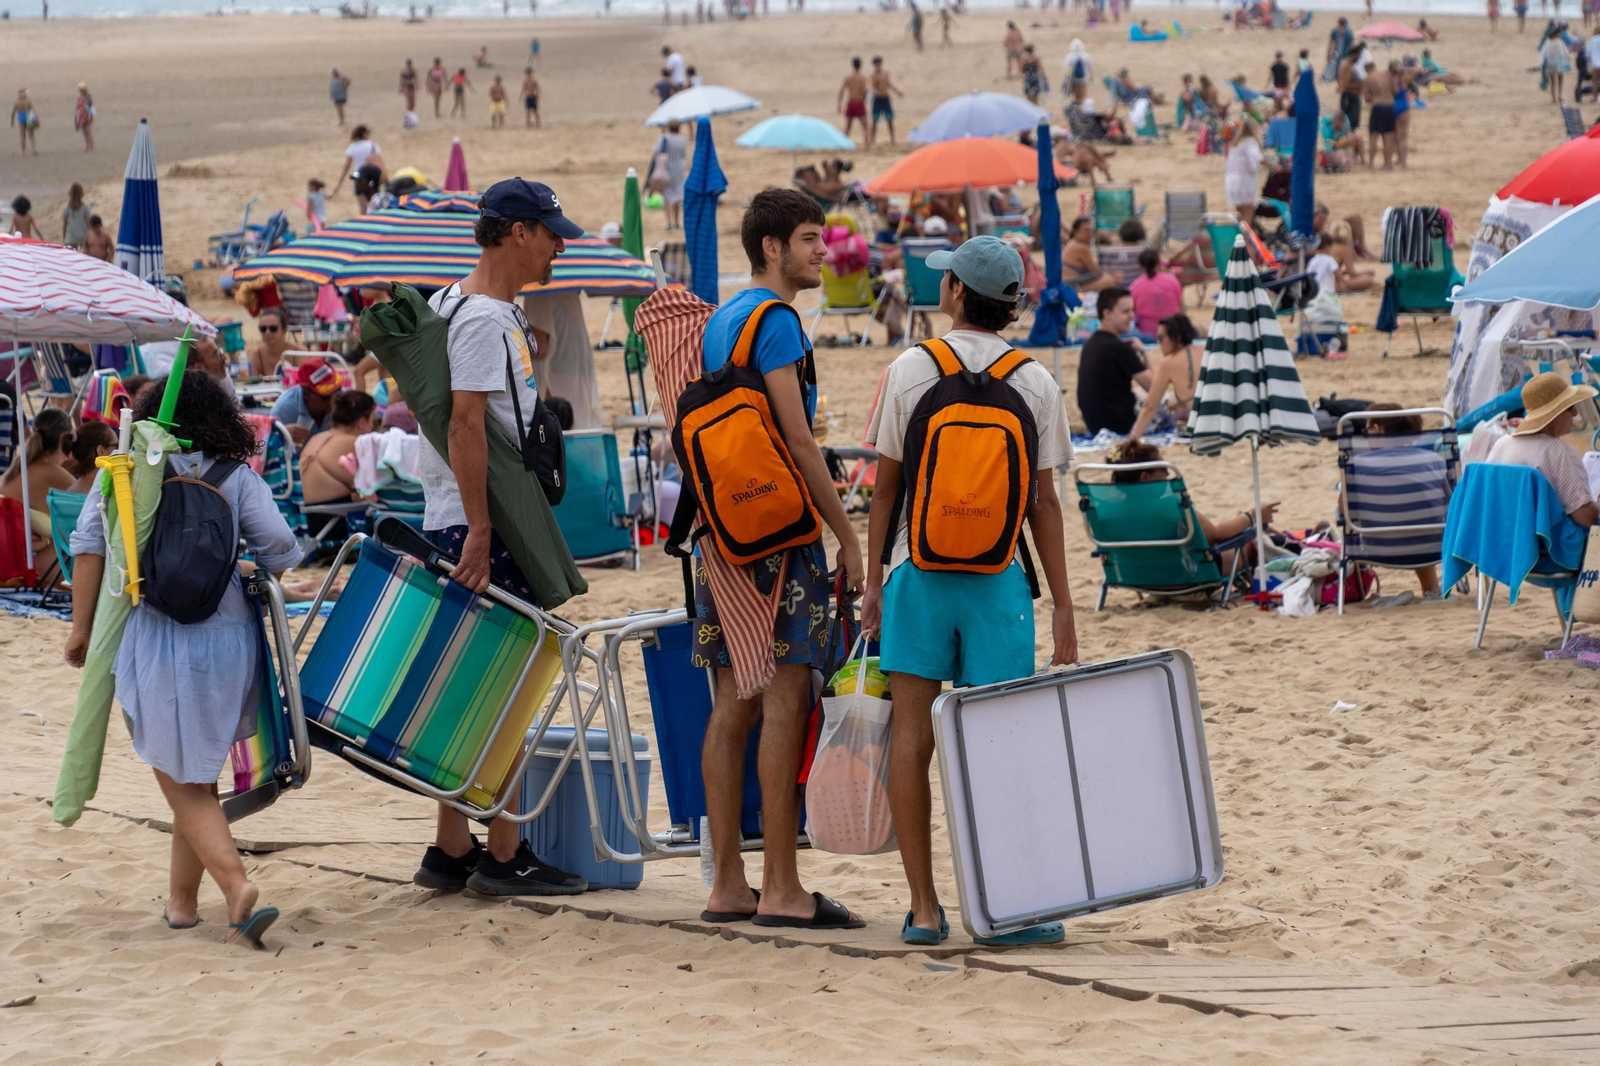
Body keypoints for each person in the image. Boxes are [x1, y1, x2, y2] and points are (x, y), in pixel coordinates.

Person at [861, 235, 1077, 948]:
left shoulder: (910, 369)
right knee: (998, 744)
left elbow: (884, 490)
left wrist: (870, 584)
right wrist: (1067, 611)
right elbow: (1044, 504)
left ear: (953, 292)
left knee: (912, 738)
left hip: (915, 572)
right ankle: (1007, 906)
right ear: (1012, 306)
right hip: (998, 581)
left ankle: (924, 908)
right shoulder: (1037, 382)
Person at [65, 372, 300, 947]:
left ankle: (237, 886)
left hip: (154, 632)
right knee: (196, 773)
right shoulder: (235, 474)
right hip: (226, 638)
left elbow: (89, 543)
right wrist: (236, 564)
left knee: (178, 778)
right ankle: (181, 907)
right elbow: (281, 549)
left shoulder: (127, 467)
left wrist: (80, 626)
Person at [411, 178, 591, 898]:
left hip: (456, 510)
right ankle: (505, 851)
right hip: (482, 517)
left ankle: (452, 848)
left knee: (473, 683)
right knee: (513, 683)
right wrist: (481, 532)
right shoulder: (484, 318)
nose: (559, 243)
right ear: (517, 232)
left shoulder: (457, 303)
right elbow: (464, 424)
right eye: (550, 232)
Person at [694, 188, 865, 932]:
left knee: (733, 701)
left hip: (721, 531)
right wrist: (849, 536)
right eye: (807, 239)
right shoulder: (781, 324)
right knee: (786, 698)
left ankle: (728, 883)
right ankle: (784, 887)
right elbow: (798, 442)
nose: (821, 252)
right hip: (779, 532)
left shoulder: (722, 320)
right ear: (771, 248)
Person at [1109, 440, 1279, 571]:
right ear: (1145, 477)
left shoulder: (1110, 510)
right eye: (1163, 467)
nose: (1168, 473)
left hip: (1138, 576)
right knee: (1252, 540)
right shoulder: (1170, 506)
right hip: (1185, 573)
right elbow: (1215, 535)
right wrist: (1252, 515)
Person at [1488, 372, 1600, 526]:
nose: (1575, 413)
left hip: (1504, 540)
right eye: (1570, 407)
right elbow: (1587, 518)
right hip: (1546, 546)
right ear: (1555, 414)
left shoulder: (1501, 444)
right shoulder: (1558, 451)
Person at [1, 407, 75, 567]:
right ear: (65, 439)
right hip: (21, 568)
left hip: (12, 558)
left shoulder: (20, 467)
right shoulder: (53, 474)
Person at [523, 290, 603, 430]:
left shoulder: (539, 293)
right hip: (576, 375)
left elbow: (538, 348)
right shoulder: (566, 287)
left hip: (557, 382)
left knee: (561, 434)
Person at [1076, 287, 1151, 436]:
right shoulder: (1120, 348)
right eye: (1125, 312)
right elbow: (1155, 388)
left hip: (1095, 423)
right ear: (1107, 314)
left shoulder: (1089, 344)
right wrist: (1144, 352)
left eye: (1132, 310)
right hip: (1122, 425)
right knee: (1175, 403)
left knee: (1140, 392)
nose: (1132, 316)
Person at [1127, 313, 1200, 439]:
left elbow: (1150, 407)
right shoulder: (1205, 350)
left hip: (1203, 425)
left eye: (1161, 338)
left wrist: (1132, 439)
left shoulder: (1170, 362)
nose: (1158, 342)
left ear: (1176, 338)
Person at [299, 390, 378, 505]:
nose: (372, 427)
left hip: (306, 513)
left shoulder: (318, 437)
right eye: (372, 421)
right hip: (330, 514)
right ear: (361, 422)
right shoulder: (355, 442)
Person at [269, 355, 343, 446]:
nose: (334, 400)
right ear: (306, 393)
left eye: (337, 391)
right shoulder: (285, 409)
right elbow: (267, 447)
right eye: (326, 397)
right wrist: (282, 435)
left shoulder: (346, 400)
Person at [1225, 116, 1269, 225]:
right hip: (1245, 180)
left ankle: (1239, 238)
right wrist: (1272, 165)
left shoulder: (1235, 143)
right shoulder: (1250, 142)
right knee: (1247, 218)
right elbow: (1257, 157)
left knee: (1239, 216)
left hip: (1232, 180)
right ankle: (1246, 239)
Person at [1129, 248, 1183, 337]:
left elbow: (1132, 313)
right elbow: (1182, 308)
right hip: (1173, 331)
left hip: (1147, 333)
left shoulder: (1135, 286)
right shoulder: (1172, 281)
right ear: (1158, 263)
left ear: (1140, 266)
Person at [333, 126, 385, 212]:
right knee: (374, 203)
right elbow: (380, 162)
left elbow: (346, 167)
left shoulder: (352, 147)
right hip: (372, 175)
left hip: (358, 176)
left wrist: (338, 185)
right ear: (364, 134)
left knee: (362, 208)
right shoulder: (372, 145)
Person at [64, 420, 117, 495]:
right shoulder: (107, 492)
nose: (119, 451)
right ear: (101, 451)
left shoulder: (72, 489)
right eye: (116, 446)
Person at [1063, 216, 1116, 291]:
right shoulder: (1081, 247)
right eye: (1087, 231)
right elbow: (1096, 272)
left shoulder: (1072, 243)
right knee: (1111, 280)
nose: (1090, 234)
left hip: (1069, 284)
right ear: (1076, 231)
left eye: (1092, 231)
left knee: (1109, 277)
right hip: (1072, 287)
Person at [1362, 59, 1398, 170]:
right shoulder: (1388, 75)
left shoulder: (1369, 78)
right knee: (1388, 136)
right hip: (1390, 106)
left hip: (1378, 107)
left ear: (1366, 70)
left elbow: (1366, 98)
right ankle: (1388, 164)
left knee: (1373, 136)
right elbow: (1395, 91)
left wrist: (1374, 98)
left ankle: (1371, 163)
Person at [658, 120, 689, 231]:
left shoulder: (664, 139)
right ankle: (676, 222)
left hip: (667, 167)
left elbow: (657, 153)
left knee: (667, 195)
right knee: (678, 194)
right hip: (679, 167)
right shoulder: (683, 140)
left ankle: (668, 223)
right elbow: (684, 154)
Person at [246, 307, 293, 379]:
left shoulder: (297, 353)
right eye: (263, 329)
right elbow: (249, 384)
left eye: (273, 328)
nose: (267, 333)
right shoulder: (257, 354)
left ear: (285, 330)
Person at [868, 56, 902, 146]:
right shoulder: (873, 75)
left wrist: (897, 91)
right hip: (878, 99)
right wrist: (876, 91)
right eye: (876, 64)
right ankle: (872, 139)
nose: (877, 66)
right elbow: (873, 86)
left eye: (879, 64)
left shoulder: (885, 73)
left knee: (889, 119)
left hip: (885, 98)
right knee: (875, 120)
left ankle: (892, 138)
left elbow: (889, 84)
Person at [838, 57, 869, 143]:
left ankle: (842, 144)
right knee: (865, 126)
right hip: (859, 103)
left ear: (852, 65)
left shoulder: (848, 77)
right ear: (860, 65)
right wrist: (864, 99)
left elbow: (841, 90)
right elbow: (864, 90)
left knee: (847, 126)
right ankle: (867, 146)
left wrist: (839, 104)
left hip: (851, 103)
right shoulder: (862, 78)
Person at [1542, 25, 1572, 102]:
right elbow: (1563, 52)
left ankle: (1553, 97)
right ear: (1557, 34)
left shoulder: (1548, 42)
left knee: (1553, 82)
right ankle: (1560, 95)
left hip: (1549, 62)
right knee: (1560, 79)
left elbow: (1544, 53)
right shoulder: (1559, 42)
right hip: (1557, 61)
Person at [1337, 47, 1363, 135]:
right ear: (1354, 54)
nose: (1359, 58)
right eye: (1359, 55)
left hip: (1353, 97)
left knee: (1353, 125)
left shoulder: (1350, 65)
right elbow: (1345, 85)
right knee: (1349, 124)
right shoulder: (1346, 66)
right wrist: (1360, 85)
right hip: (1349, 98)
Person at [61, 183, 91, 250]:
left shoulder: (66, 207)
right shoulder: (86, 206)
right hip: (83, 234)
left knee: (71, 256)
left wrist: (64, 238)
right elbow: (88, 223)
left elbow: (64, 225)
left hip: (71, 236)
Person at [11, 88, 38, 156]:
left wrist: (12, 121)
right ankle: (33, 148)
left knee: (23, 136)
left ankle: (23, 152)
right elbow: (33, 110)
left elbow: (13, 113)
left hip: (21, 116)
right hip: (28, 116)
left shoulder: (17, 102)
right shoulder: (27, 101)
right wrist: (36, 119)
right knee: (31, 134)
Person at [74, 81, 94, 151]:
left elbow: (89, 106)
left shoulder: (87, 97)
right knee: (84, 132)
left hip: (87, 115)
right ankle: (87, 145)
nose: (80, 91)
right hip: (81, 116)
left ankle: (90, 146)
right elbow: (77, 107)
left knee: (88, 131)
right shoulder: (79, 98)